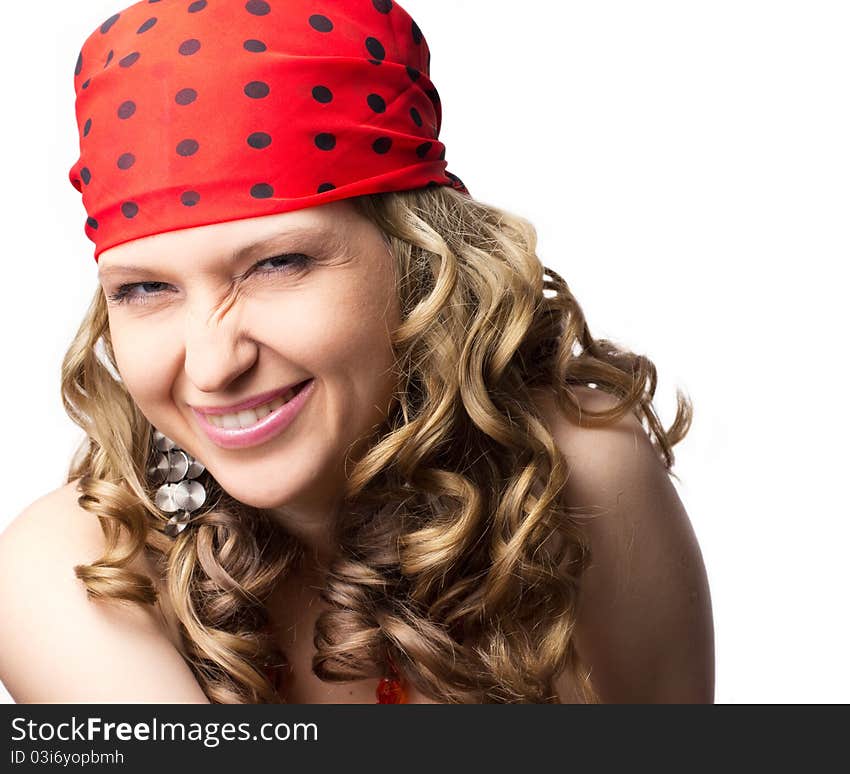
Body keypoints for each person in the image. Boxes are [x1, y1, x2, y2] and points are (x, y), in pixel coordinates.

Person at [0, 0, 713, 704]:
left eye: (277, 265)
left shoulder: (580, 475)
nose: (214, 366)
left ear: (421, 265)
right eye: (147, 288)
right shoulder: (71, 571)